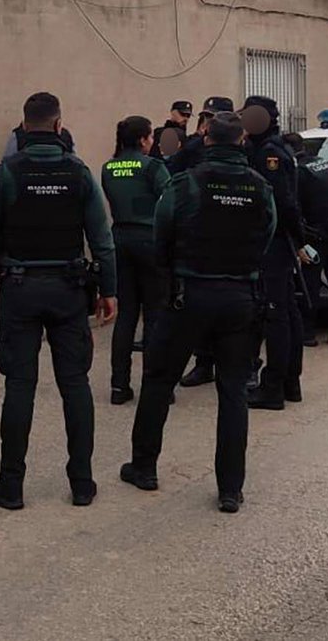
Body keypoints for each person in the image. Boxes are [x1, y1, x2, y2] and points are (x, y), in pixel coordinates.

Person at [0, 92, 118, 511]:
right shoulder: (79, 174)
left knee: (19, 386)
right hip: (69, 291)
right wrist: (109, 290)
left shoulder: (3, 175)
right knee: (76, 385)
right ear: (58, 125)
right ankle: (82, 484)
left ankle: (11, 486)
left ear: (23, 127)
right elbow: (103, 241)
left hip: (19, 290)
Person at [120, 112, 275, 513]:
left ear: (206, 140)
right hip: (240, 297)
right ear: (242, 141)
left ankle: (144, 468)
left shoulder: (184, 184)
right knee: (233, 392)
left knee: (158, 380)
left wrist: (172, 273)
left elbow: (161, 235)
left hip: (187, 295)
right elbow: (267, 235)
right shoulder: (260, 187)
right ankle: (230, 488)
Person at [240, 96, 306, 410]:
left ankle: (274, 387)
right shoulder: (269, 147)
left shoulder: (269, 154)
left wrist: (298, 239)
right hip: (277, 241)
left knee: (276, 315)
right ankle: (290, 382)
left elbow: (284, 203)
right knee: (287, 312)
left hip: (273, 242)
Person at [101, 115, 170, 405]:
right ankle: (155, 386)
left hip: (119, 240)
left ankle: (119, 385)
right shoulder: (153, 167)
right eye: (151, 136)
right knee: (155, 314)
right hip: (150, 240)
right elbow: (169, 202)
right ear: (142, 139)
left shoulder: (108, 168)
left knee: (126, 314)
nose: (153, 141)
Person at [173, 96, 235, 388]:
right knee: (199, 307)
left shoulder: (243, 148)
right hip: (201, 234)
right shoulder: (196, 146)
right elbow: (175, 169)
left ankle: (240, 367)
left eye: (213, 117)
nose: (208, 122)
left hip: (234, 238)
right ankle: (203, 363)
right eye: (206, 117)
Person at [282, 132, 328, 349]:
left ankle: (308, 333)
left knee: (310, 282)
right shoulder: (324, 164)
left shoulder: (298, 172)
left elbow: (293, 207)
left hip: (318, 232)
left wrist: (299, 241)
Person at [2, 122, 75, 160]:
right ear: (58, 125)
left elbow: (5, 169)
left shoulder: (17, 137)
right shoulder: (67, 138)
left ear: (25, 126)